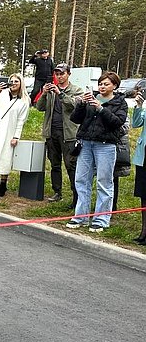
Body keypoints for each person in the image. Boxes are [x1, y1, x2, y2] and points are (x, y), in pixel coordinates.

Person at [65, 71, 127, 233]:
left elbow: (117, 123)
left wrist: (100, 109)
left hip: (106, 146)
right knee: (81, 180)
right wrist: (81, 104)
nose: (102, 87)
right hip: (85, 143)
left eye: (106, 84)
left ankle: (101, 219)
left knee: (104, 182)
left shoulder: (120, 102)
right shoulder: (91, 98)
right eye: (100, 83)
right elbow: (76, 119)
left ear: (114, 85)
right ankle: (81, 216)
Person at [36, 63, 84, 208]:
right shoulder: (50, 91)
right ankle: (57, 192)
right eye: (57, 74)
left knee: (71, 165)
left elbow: (75, 105)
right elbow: (39, 107)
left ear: (68, 74)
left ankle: (76, 196)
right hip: (52, 132)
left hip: (69, 133)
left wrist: (60, 93)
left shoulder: (76, 90)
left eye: (62, 73)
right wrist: (44, 93)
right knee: (54, 164)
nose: (59, 76)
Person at [0, 74, 30, 197]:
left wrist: (16, 136)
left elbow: (21, 121)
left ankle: (3, 184)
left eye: (16, 81)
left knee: (5, 158)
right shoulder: (2, 94)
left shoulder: (23, 101)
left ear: (20, 84)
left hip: (9, 132)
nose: (13, 83)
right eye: (11, 81)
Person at [132, 89, 146, 244]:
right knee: (144, 195)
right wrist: (138, 106)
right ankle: (144, 232)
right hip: (144, 156)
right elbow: (136, 124)